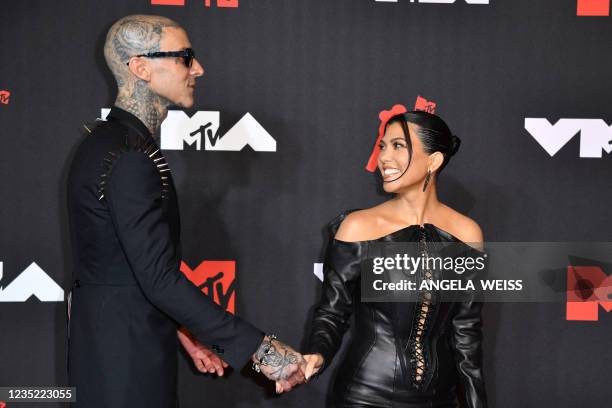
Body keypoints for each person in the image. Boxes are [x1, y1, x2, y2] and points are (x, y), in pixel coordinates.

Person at [67, 15, 304, 407]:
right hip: (125, 364)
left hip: (113, 349)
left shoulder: (109, 144)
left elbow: (125, 268)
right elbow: (157, 278)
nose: (198, 68)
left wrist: (186, 332)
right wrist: (267, 355)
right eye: (185, 57)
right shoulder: (129, 157)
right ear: (140, 67)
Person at [302, 105, 487, 407]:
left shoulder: (467, 233)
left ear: (434, 161)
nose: (383, 158)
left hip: (440, 399)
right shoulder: (358, 225)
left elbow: (466, 332)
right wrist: (317, 352)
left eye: (398, 146)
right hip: (365, 395)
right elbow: (333, 312)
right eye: (383, 146)